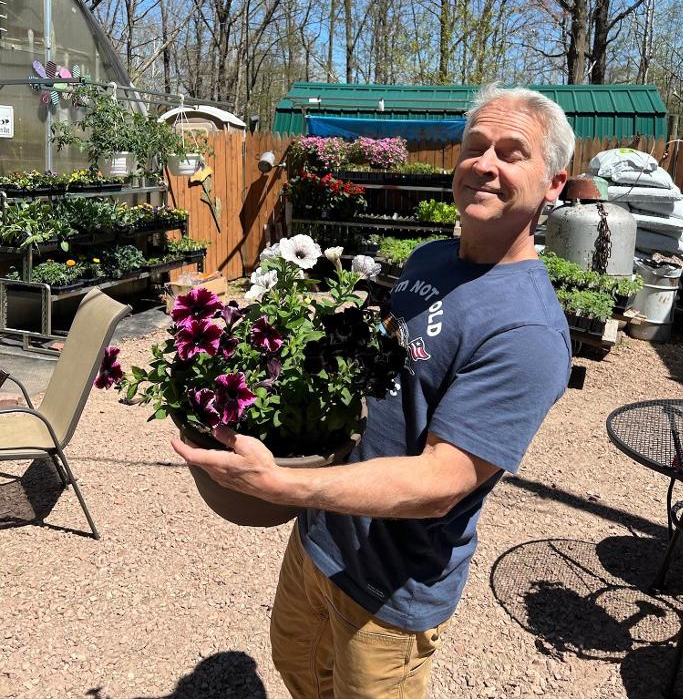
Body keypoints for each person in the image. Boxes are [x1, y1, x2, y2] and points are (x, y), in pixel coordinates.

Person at [171, 84, 576, 699]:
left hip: (390, 587)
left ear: (554, 184)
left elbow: (441, 483)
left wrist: (281, 486)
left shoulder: (528, 332)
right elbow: (382, 364)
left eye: (511, 153)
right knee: (297, 668)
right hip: (320, 538)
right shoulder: (431, 258)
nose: (484, 164)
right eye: (475, 147)